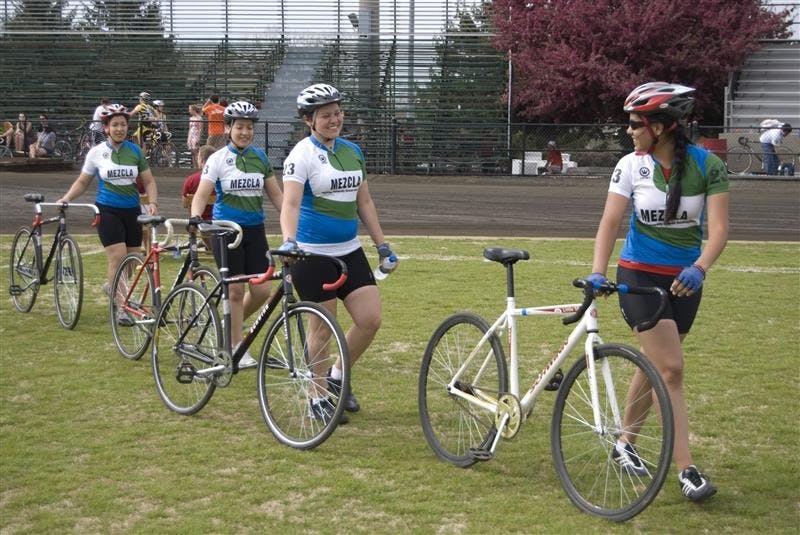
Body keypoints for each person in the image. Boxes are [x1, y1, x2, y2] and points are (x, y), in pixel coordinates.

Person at [587, 82, 728, 503]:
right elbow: (610, 222)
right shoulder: (630, 165)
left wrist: (700, 268)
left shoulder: (707, 166)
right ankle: (686, 468)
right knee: (672, 370)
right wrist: (598, 271)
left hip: (686, 279)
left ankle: (624, 441)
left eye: (635, 123)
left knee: (656, 364)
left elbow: (719, 230)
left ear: (662, 127)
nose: (629, 130)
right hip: (639, 277)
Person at [279, 83, 396, 422]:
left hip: (350, 251)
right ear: (309, 121)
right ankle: (316, 395)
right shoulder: (300, 155)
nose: (335, 119)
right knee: (321, 329)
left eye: (338, 113)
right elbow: (290, 203)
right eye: (326, 115)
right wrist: (289, 240)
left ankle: (338, 376)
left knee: (370, 319)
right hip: (313, 255)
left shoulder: (352, 151)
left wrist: (381, 244)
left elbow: (365, 201)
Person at [189, 101, 282, 368]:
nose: (245, 132)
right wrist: (196, 218)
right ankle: (235, 345)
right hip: (226, 231)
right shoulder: (218, 159)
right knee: (236, 291)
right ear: (228, 128)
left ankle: (230, 324)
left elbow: (276, 194)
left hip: (255, 230)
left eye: (249, 128)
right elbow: (202, 194)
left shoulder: (260, 158)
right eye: (239, 127)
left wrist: (293, 221)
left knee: (263, 290)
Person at [56, 104, 158, 325]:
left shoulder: (135, 151)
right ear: (106, 128)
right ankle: (121, 307)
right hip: (107, 209)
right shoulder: (96, 153)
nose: (120, 128)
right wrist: (67, 198)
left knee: (132, 259)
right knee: (118, 256)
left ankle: (113, 288)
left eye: (123, 124)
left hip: (132, 210)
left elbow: (149, 180)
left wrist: (152, 202)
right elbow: (83, 182)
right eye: (115, 125)